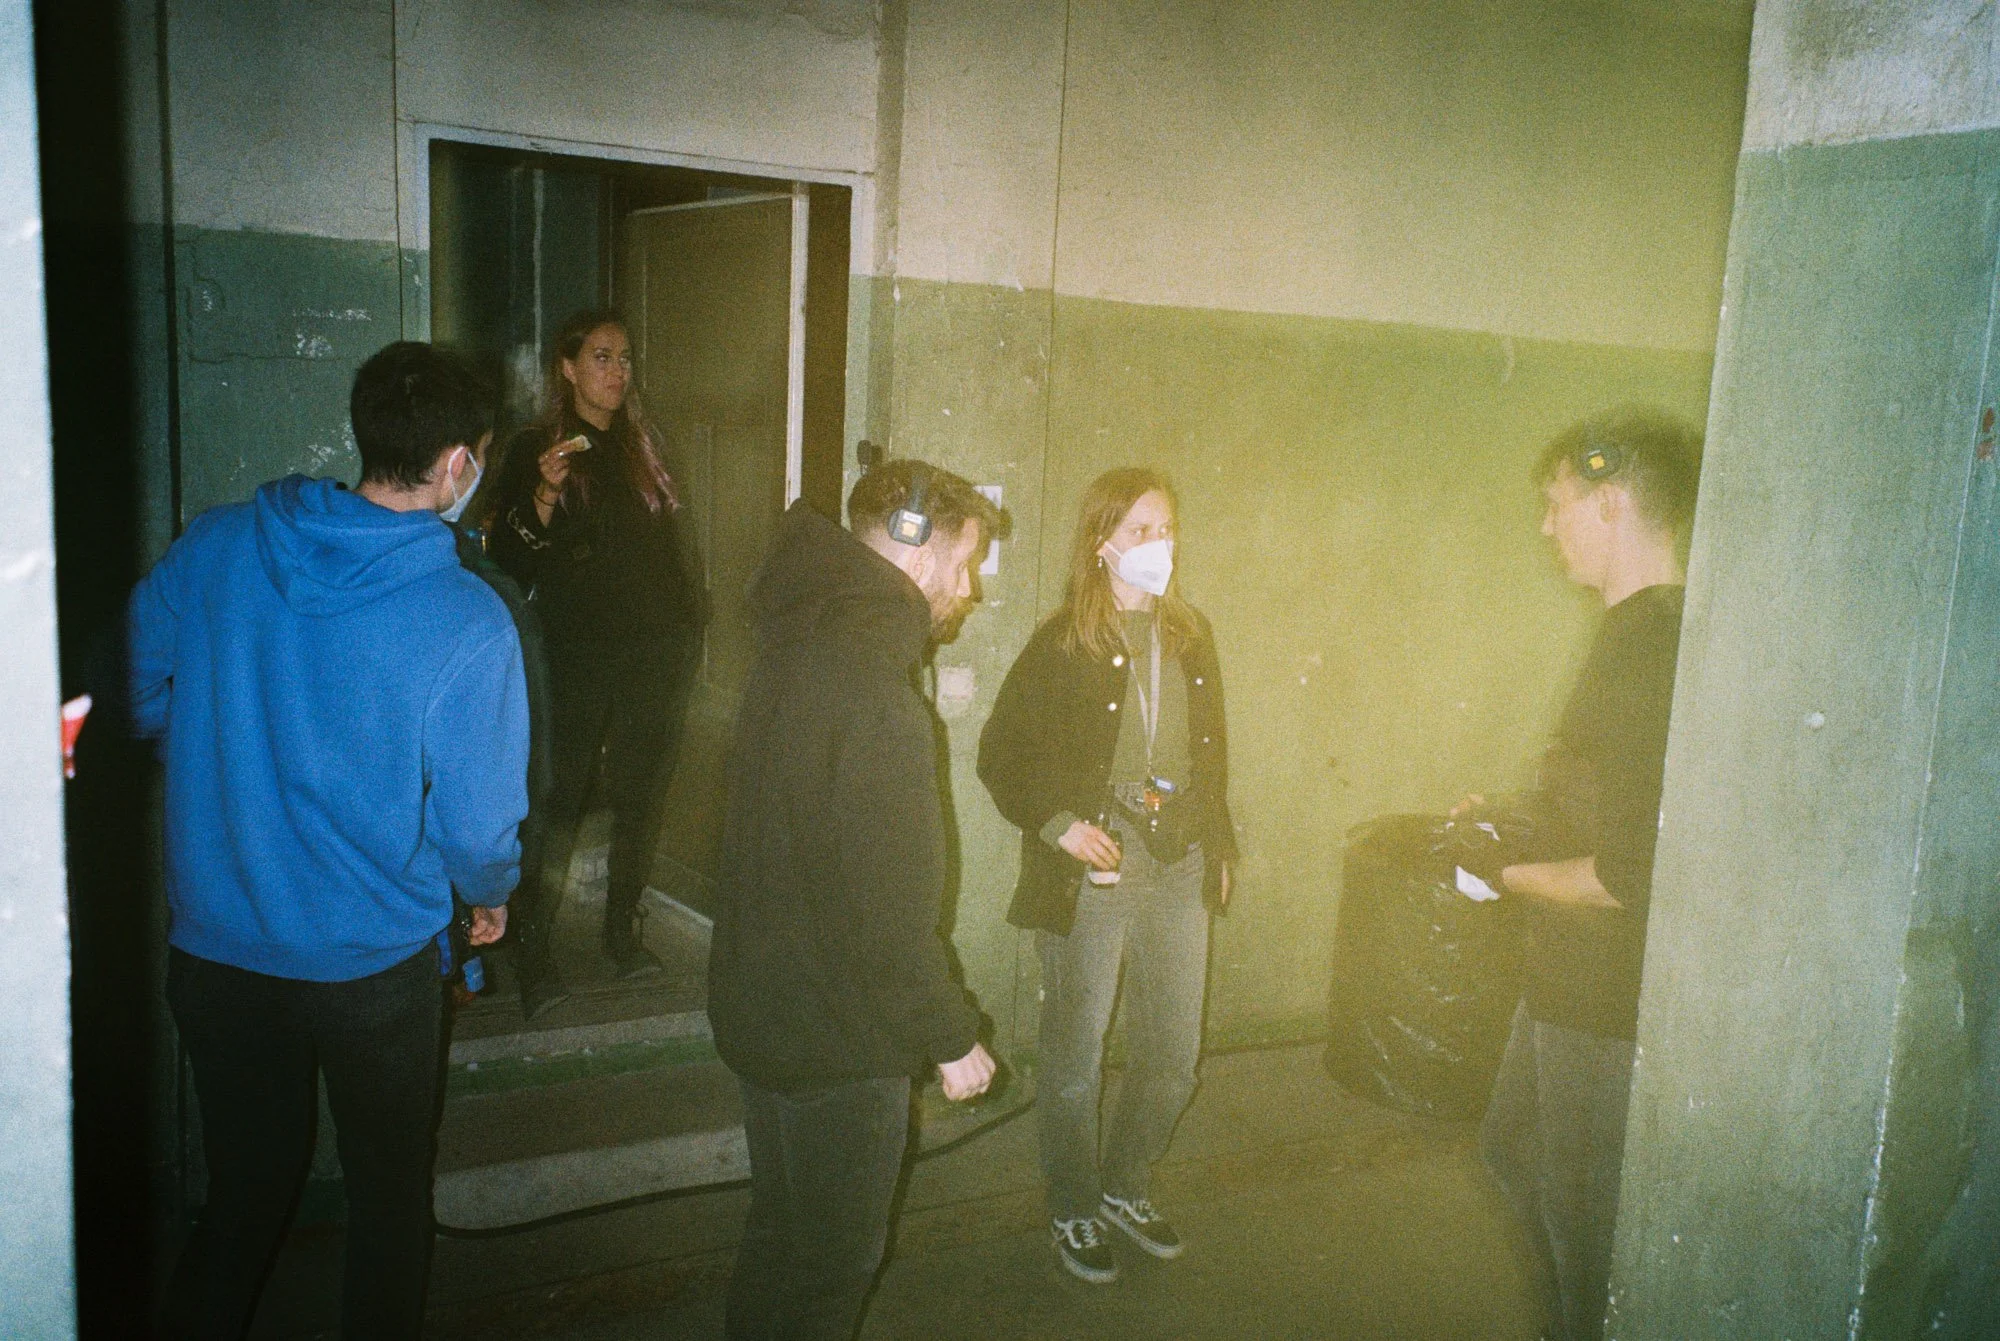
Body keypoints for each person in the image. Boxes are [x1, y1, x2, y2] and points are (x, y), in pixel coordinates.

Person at [129, 342, 529, 1339]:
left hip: (218, 957)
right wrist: (490, 894)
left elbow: (125, 693)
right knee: (389, 1201)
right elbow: (479, 828)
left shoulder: (216, 547)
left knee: (246, 1196)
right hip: (375, 976)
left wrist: (221, 757)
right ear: (455, 466)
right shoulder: (468, 620)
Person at [708, 460, 1002, 1339]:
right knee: (831, 1271)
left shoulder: (792, 648)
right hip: (839, 1041)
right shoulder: (880, 703)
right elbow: (891, 921)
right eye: (967, 563)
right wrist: (952, 1039)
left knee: (777, 1234)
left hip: (764, 1018)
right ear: (917, 558)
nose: (971, 586)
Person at [1460, 406, 1701, 1341]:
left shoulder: (1649, 649)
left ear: (1611, 501)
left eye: (1557, 504)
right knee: (1511, 1151)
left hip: (1602, 1000)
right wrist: (1509, 826)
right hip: (1562, 983)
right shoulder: (1633, 631)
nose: (1545, 525)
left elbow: (1627, 876)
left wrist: (1500, 868)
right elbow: (1602, 807)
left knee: (1589, 1226)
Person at [977, 467, 1237, 1285]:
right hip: (1096, 870)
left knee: (1173, 1054)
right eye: (1142, 532)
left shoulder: (1192, 637)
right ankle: (1073, 1205)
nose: (1161, 547)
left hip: (1178, 860)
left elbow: (1212, 756)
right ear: (1103, 545)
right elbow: (1000, 755)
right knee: (1075, 1057)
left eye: (1168, 530)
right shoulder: (1062, 642)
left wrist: (1220, 848)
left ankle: (1125, 1186)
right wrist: (1060, 824)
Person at [487, 309, 702, 1008]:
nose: (619, 371)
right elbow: (512, 561)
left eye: (626, 358)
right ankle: (533, 945)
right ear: (569, 367)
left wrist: (689, 627)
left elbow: (673, 549)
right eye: (603, 357)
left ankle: (620, 932)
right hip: (575, 652)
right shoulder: (534, 449)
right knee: (559, 797)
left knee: (642, 791)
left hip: (653, 651)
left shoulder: (645, 446)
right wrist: (545, 491)